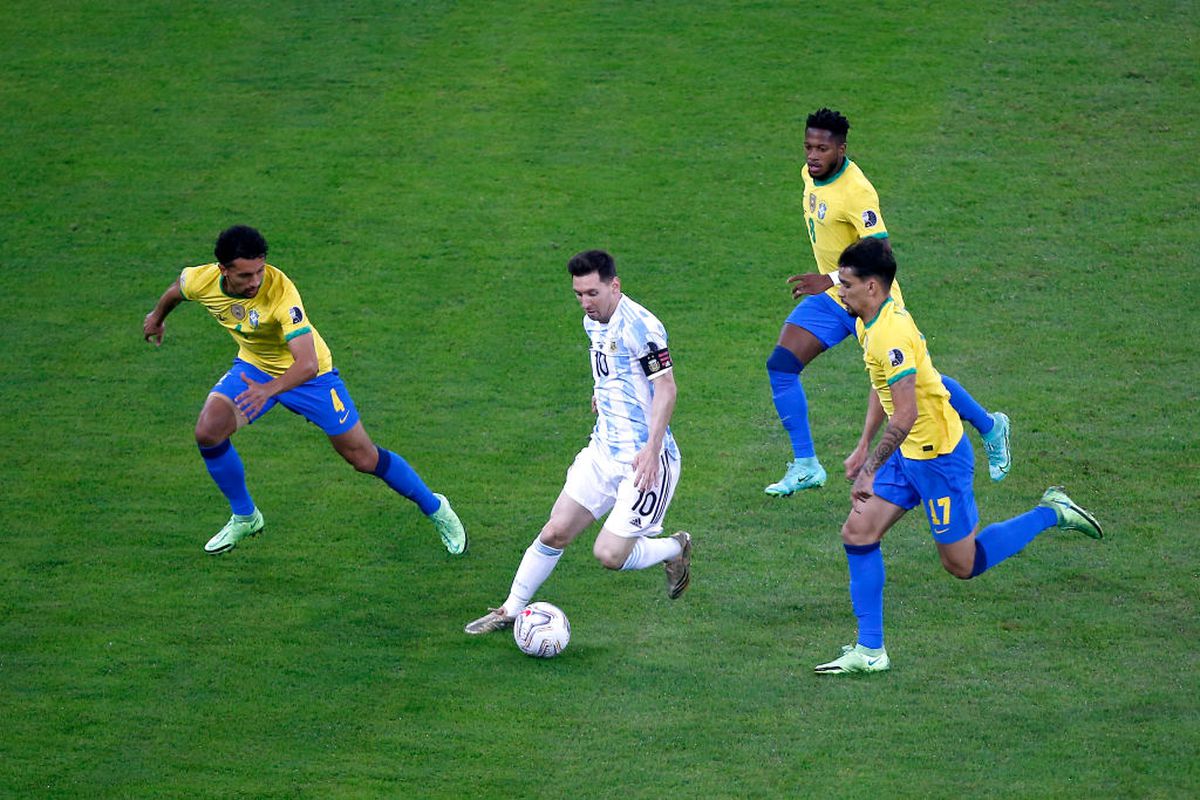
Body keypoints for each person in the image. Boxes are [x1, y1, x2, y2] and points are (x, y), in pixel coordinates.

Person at [812, 237, 1102, 674]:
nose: (840, 292)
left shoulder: (892, 333)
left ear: (872, 287)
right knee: (857, 533)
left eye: (847, 285)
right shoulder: (865, 323)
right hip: (908, 454)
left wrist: (870, 469)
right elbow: (883, 387)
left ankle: (1050, 512)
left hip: (939, 460)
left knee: (962, 565)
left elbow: (906, 413)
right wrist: (862, 445)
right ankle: (870, 651)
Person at [142, 224, 467, 556]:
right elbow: (176, 291)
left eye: (259, 270)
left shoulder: (281, 293)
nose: (255, 281)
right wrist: (157, 316)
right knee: (208, 432)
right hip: (256, 368)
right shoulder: (202, 280)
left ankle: (435, 507)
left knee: (362, 457)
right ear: (222, 270)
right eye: (245, 275)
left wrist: (269, 391)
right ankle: (245, 516)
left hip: (312, 378)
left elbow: (307, 364)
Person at [765, 107, 1012, 496]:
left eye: (822, 149)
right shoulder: (809, 175)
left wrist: (829, 278)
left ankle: (990, 426)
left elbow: (882, 251)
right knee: (781, 364)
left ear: (841, 149)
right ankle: (806, 465)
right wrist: (832, 284)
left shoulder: (857, 191)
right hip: (834, 296)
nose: (813, 156)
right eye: (808, 147)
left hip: (871, 299)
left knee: (913, 383)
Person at [464, 249, 692, 635]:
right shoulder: (594, 322)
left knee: (609, 554)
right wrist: (600, 392)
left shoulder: (643, 328)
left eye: (592, 293)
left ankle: (676, 547)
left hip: (643, 460)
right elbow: (609, 365)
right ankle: (509, 610)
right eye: (578, 294)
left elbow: (666, 389)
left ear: (614, 286)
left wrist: (651, 451)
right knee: (555, 531)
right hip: (603, 450)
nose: (585, 303)